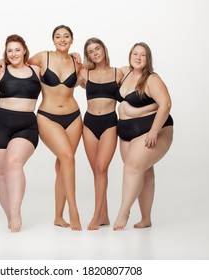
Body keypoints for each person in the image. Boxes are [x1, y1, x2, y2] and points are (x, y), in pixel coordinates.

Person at [113, 42, 174, 231]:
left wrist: (154, 131)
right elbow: (101, 71)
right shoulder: (124, 73)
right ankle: (146, 218)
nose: (138, 57)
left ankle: (124, 211)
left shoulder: (152, 79)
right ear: (130, 55)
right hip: (126, 131)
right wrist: (78, 61)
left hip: (153, 129)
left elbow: (166, 104)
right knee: (143, 171)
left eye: (143, 55)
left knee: (133, 167)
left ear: (148, 59)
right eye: (135, 53)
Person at [0, 34, 41, 232]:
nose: (14, 53)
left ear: (25, 50)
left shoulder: (36, 69)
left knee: (13, 163)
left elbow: (62, 69)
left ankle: (16, 211)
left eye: (17, 49)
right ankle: (9, 215)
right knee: (2, 174)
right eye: (10, 50)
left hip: (26, 126)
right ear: (5, 53)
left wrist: (76, 55)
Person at [30, 25, 83, 231]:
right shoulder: (43, 57)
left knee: (63, 163)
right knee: (68, 158)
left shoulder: (76, 62)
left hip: (73, 117)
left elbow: (91, 77)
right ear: (53, 40)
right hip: (47, 116)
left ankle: (58, 217)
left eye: (66, 36)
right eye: (58, 36)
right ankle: (73, 211)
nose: (62, 39)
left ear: (72, 40)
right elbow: (17, 62)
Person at [78, 38, 123, 230]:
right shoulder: (85, 73)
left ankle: (96, 216)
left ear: (104, 49)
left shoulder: (118, 73)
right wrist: (74, 58)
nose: (95, 53)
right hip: (89, 123)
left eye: (97, 49)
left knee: (101, 168)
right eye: (90, 51)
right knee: (96, 171)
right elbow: (66, 79)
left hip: (109, 123)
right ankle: (104, 214)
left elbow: (136, 77)